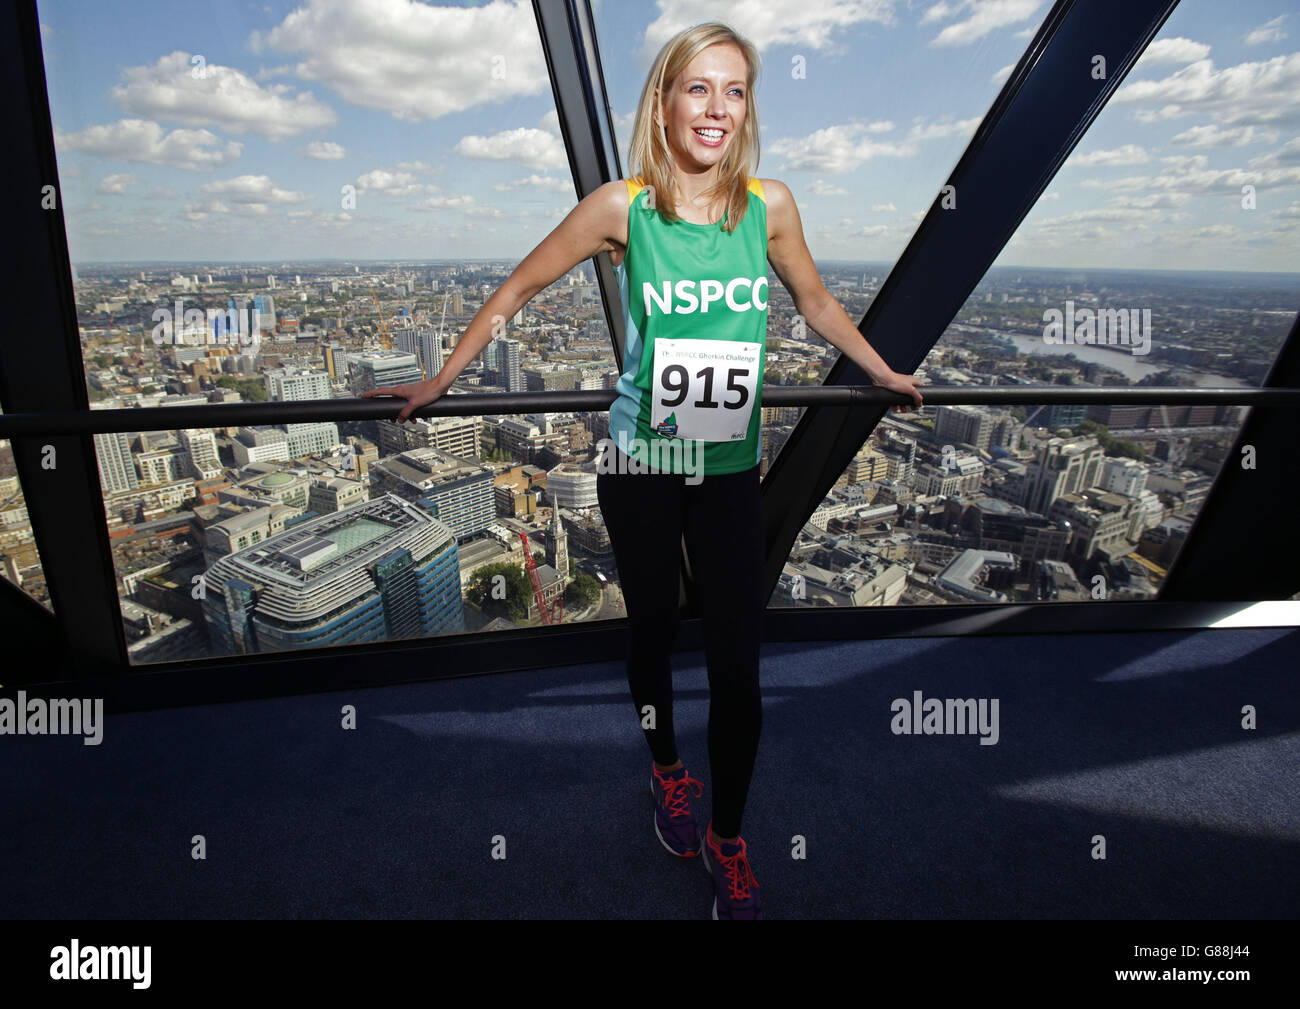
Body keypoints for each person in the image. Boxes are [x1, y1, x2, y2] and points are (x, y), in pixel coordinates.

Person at [364, 21, 924, 920]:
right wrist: (442, 376)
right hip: (640, 462)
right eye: (697, 88)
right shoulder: (622, 209)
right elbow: (516, 290)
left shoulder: (768, 206)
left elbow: (815, 301)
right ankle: (667, 772)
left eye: (734, 91)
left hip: (731, 469)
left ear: (749, 110)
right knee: (653, 633)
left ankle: (728, 839)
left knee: (740, 671)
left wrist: (881, 369)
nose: (716, 108)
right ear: (664, 101)